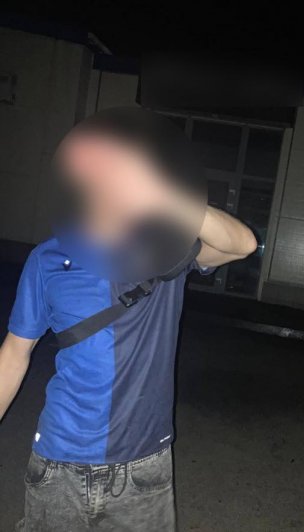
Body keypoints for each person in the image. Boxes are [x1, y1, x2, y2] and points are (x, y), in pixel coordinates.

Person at [0, 111, 257, 531]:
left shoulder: (166, 251)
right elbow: (14, 353)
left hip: (143, 469)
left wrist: (169, 198)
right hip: (57, 464)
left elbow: (241, 244)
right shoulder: (47, 259)